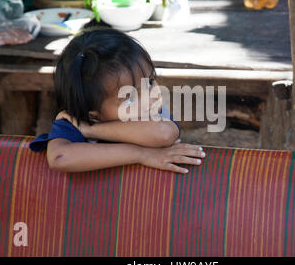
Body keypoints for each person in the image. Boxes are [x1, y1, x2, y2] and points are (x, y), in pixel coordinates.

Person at [29, 27, 205, 174]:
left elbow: (164, 134)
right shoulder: (72, 123)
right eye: (130, 98)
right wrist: (140, 154)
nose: (151, 96)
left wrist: (91, 130)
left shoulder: (152, 116)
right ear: (94, 114)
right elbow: (60, 158)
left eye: (150, 82)